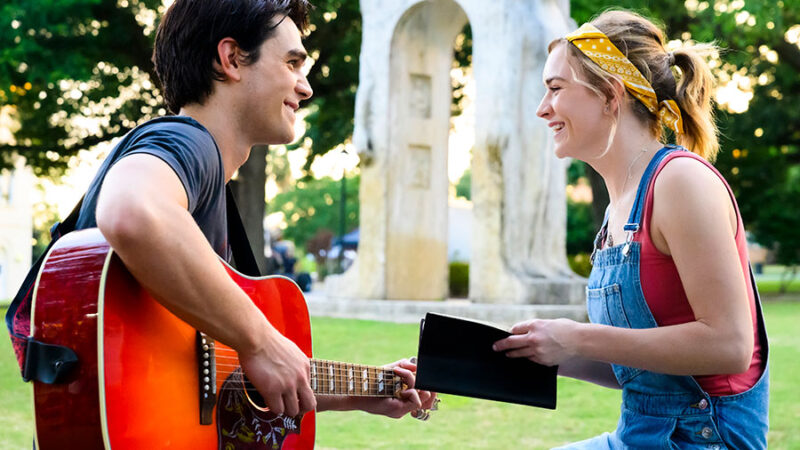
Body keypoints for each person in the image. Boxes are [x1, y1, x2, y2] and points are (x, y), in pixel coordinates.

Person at [73, 0, 434, 423]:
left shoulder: (199, 179)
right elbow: (132, 211)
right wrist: (262, 341)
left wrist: (364, 391)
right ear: (231, 60)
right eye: (292, 63)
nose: (306, 88)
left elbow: (209, 373)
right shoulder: (189, 144)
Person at [493, 10, 768, 449]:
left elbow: (729, 345)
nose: (542, 109)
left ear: (609, 94)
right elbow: (642, 368)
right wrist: (550, 351)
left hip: (701, 440)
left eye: (555, 88)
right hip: (639, 436)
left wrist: (577, 335)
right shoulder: (618, 210)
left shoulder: (680, 182)